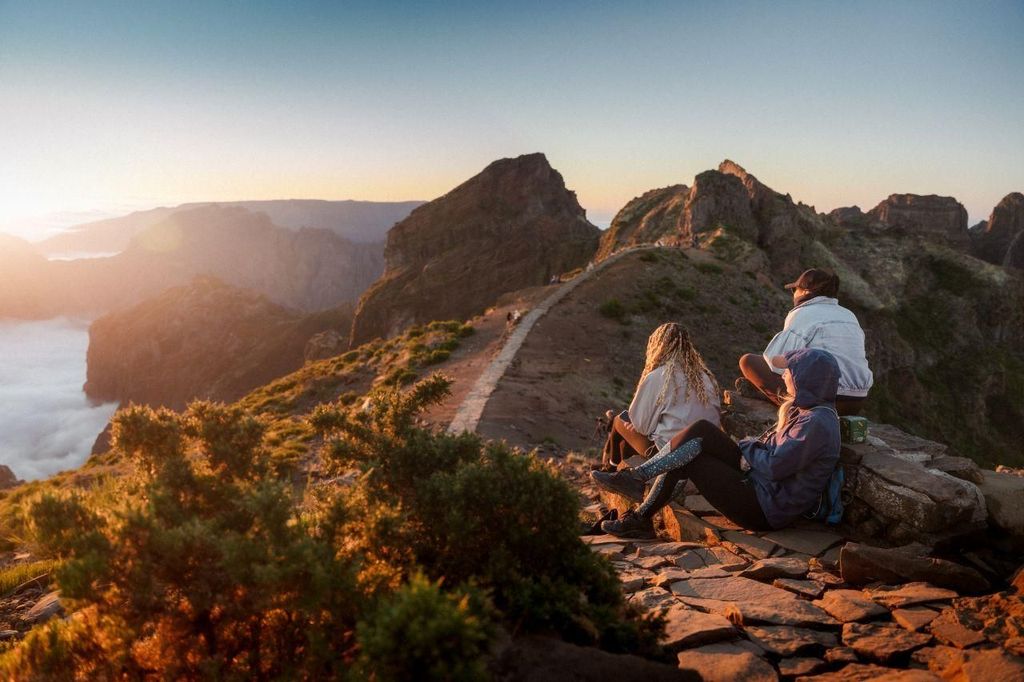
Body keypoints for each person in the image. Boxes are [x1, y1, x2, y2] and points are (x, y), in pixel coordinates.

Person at [594, 348, 841, 538]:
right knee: (703, 431)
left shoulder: (817, 423)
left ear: (805, 378)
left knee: (693, 460)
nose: (784, 375)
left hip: (764, 508)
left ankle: (639, 506)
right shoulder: (806, 411)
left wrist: (747, 447)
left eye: (790, 371)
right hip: (759, 483)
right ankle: (637, 487)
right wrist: (751, 448)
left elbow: (776, 466)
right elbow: (774, 455)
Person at [739, 268, 872, 416]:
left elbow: (776, 363)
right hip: (856, 402)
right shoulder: (849, 315)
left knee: (748, 362)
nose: (793, 294)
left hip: (823, 403)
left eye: (794, 290)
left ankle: (794, 412)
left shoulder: (802, 313)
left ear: (804, 292)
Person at [601, 323, 720, 472]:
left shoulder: (659, 376)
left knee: (619, 421)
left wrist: (639, 425)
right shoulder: (705, 377)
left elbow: (641, 426)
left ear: (658, 345)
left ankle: (610, 469)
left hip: (670, 455)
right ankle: (618, 470)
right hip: (704, 451)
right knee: (630, 434)